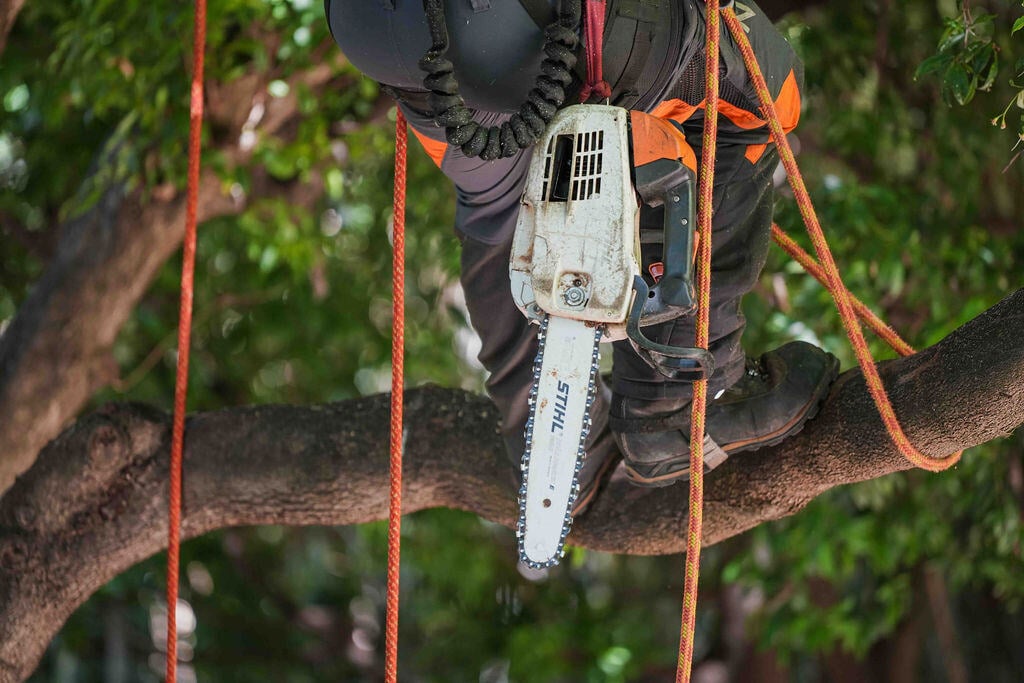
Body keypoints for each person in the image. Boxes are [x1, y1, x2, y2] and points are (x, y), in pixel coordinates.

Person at [324, 0, 838, 508]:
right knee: (765, 92)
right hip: (508, 27)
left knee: (500, 203)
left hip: (375, 33)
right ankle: (679, 403)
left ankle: (541, 434)